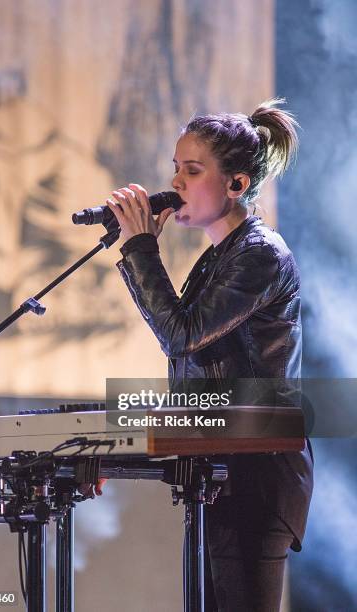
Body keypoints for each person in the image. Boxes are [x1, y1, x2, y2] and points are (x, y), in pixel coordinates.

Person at [103, 98, 313, 612]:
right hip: (218, 473)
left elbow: (180, 334)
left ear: (236, 184)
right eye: (176, 168)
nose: (176, 182)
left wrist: (140, 250)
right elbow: (186, 362)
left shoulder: (261, 254)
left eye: (192, 171)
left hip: (256, 481)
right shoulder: (218, 258)